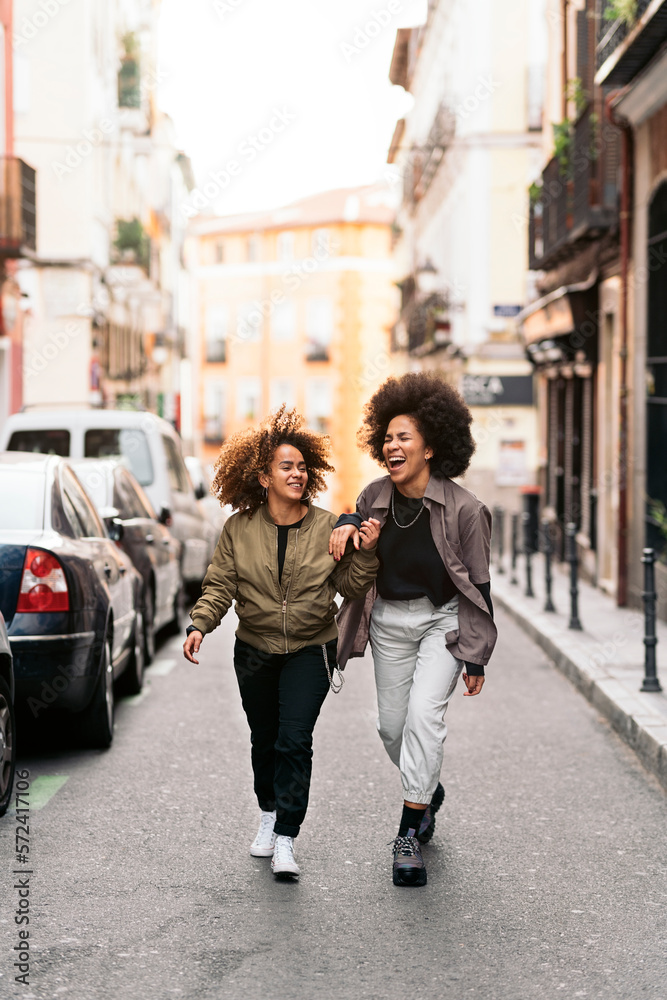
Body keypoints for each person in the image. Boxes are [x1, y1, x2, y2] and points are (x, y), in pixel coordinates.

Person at [183, 407, 379, 880]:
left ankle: (287, 836)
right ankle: (268, 811)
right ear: (262, 475)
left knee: (295, 740)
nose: (297, 473)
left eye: (301, 466)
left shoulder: (327, 526)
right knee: (264, 739)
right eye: (286, 466)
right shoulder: (238, 529)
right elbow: (219, 585)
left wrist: (367, 554)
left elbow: (351, 587)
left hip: (311, 650)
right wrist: (200, 625)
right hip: (253, 649)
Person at [329, 372, 497, 888]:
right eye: (388, 437)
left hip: (442, 623)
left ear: (431, 447)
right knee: (391, 726)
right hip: (389, 623)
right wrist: (344, 524)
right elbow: (350, 527)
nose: (392, 445)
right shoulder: (375, 496)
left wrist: (475, 656)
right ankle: (427, 790)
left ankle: (407, 834)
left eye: (404, 436)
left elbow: (480, 588)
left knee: (425, 717)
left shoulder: (466, 510)